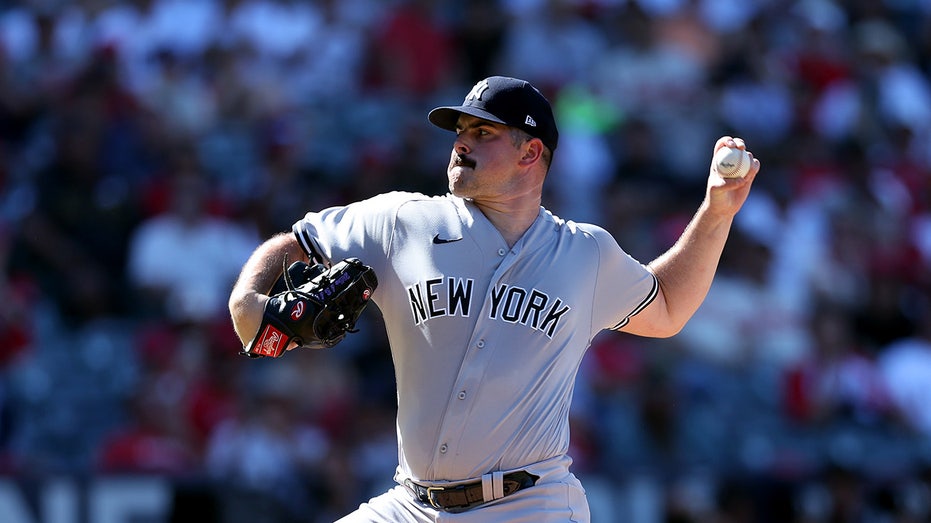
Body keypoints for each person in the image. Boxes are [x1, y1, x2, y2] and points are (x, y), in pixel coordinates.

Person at [228, 76, 760, 522]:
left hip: (529, 505)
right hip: (412, 506)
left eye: (483, 132)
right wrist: (249, 298)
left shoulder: (583, 254)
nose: (461, 142)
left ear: (532, 152)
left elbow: (666, 306)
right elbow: (295, 242)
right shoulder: (403, 221)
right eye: (460, 130)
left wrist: (717, 213)